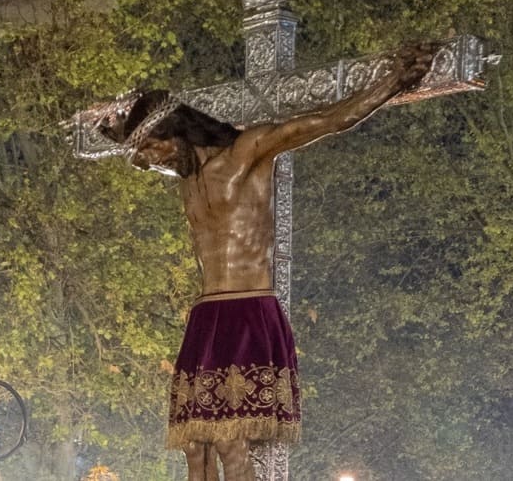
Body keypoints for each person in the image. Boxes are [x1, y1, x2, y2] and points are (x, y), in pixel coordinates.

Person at [67, 43, 434, 480]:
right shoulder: (188, 180)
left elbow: (327, 121)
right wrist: (115, 131)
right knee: (194, 444)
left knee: (228, 438)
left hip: (246, 308)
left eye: (147, 150)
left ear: (172, 131)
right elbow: (140, 152)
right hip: (206, 316)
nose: (146, 165)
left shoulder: (247, 153)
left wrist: (392, 84)